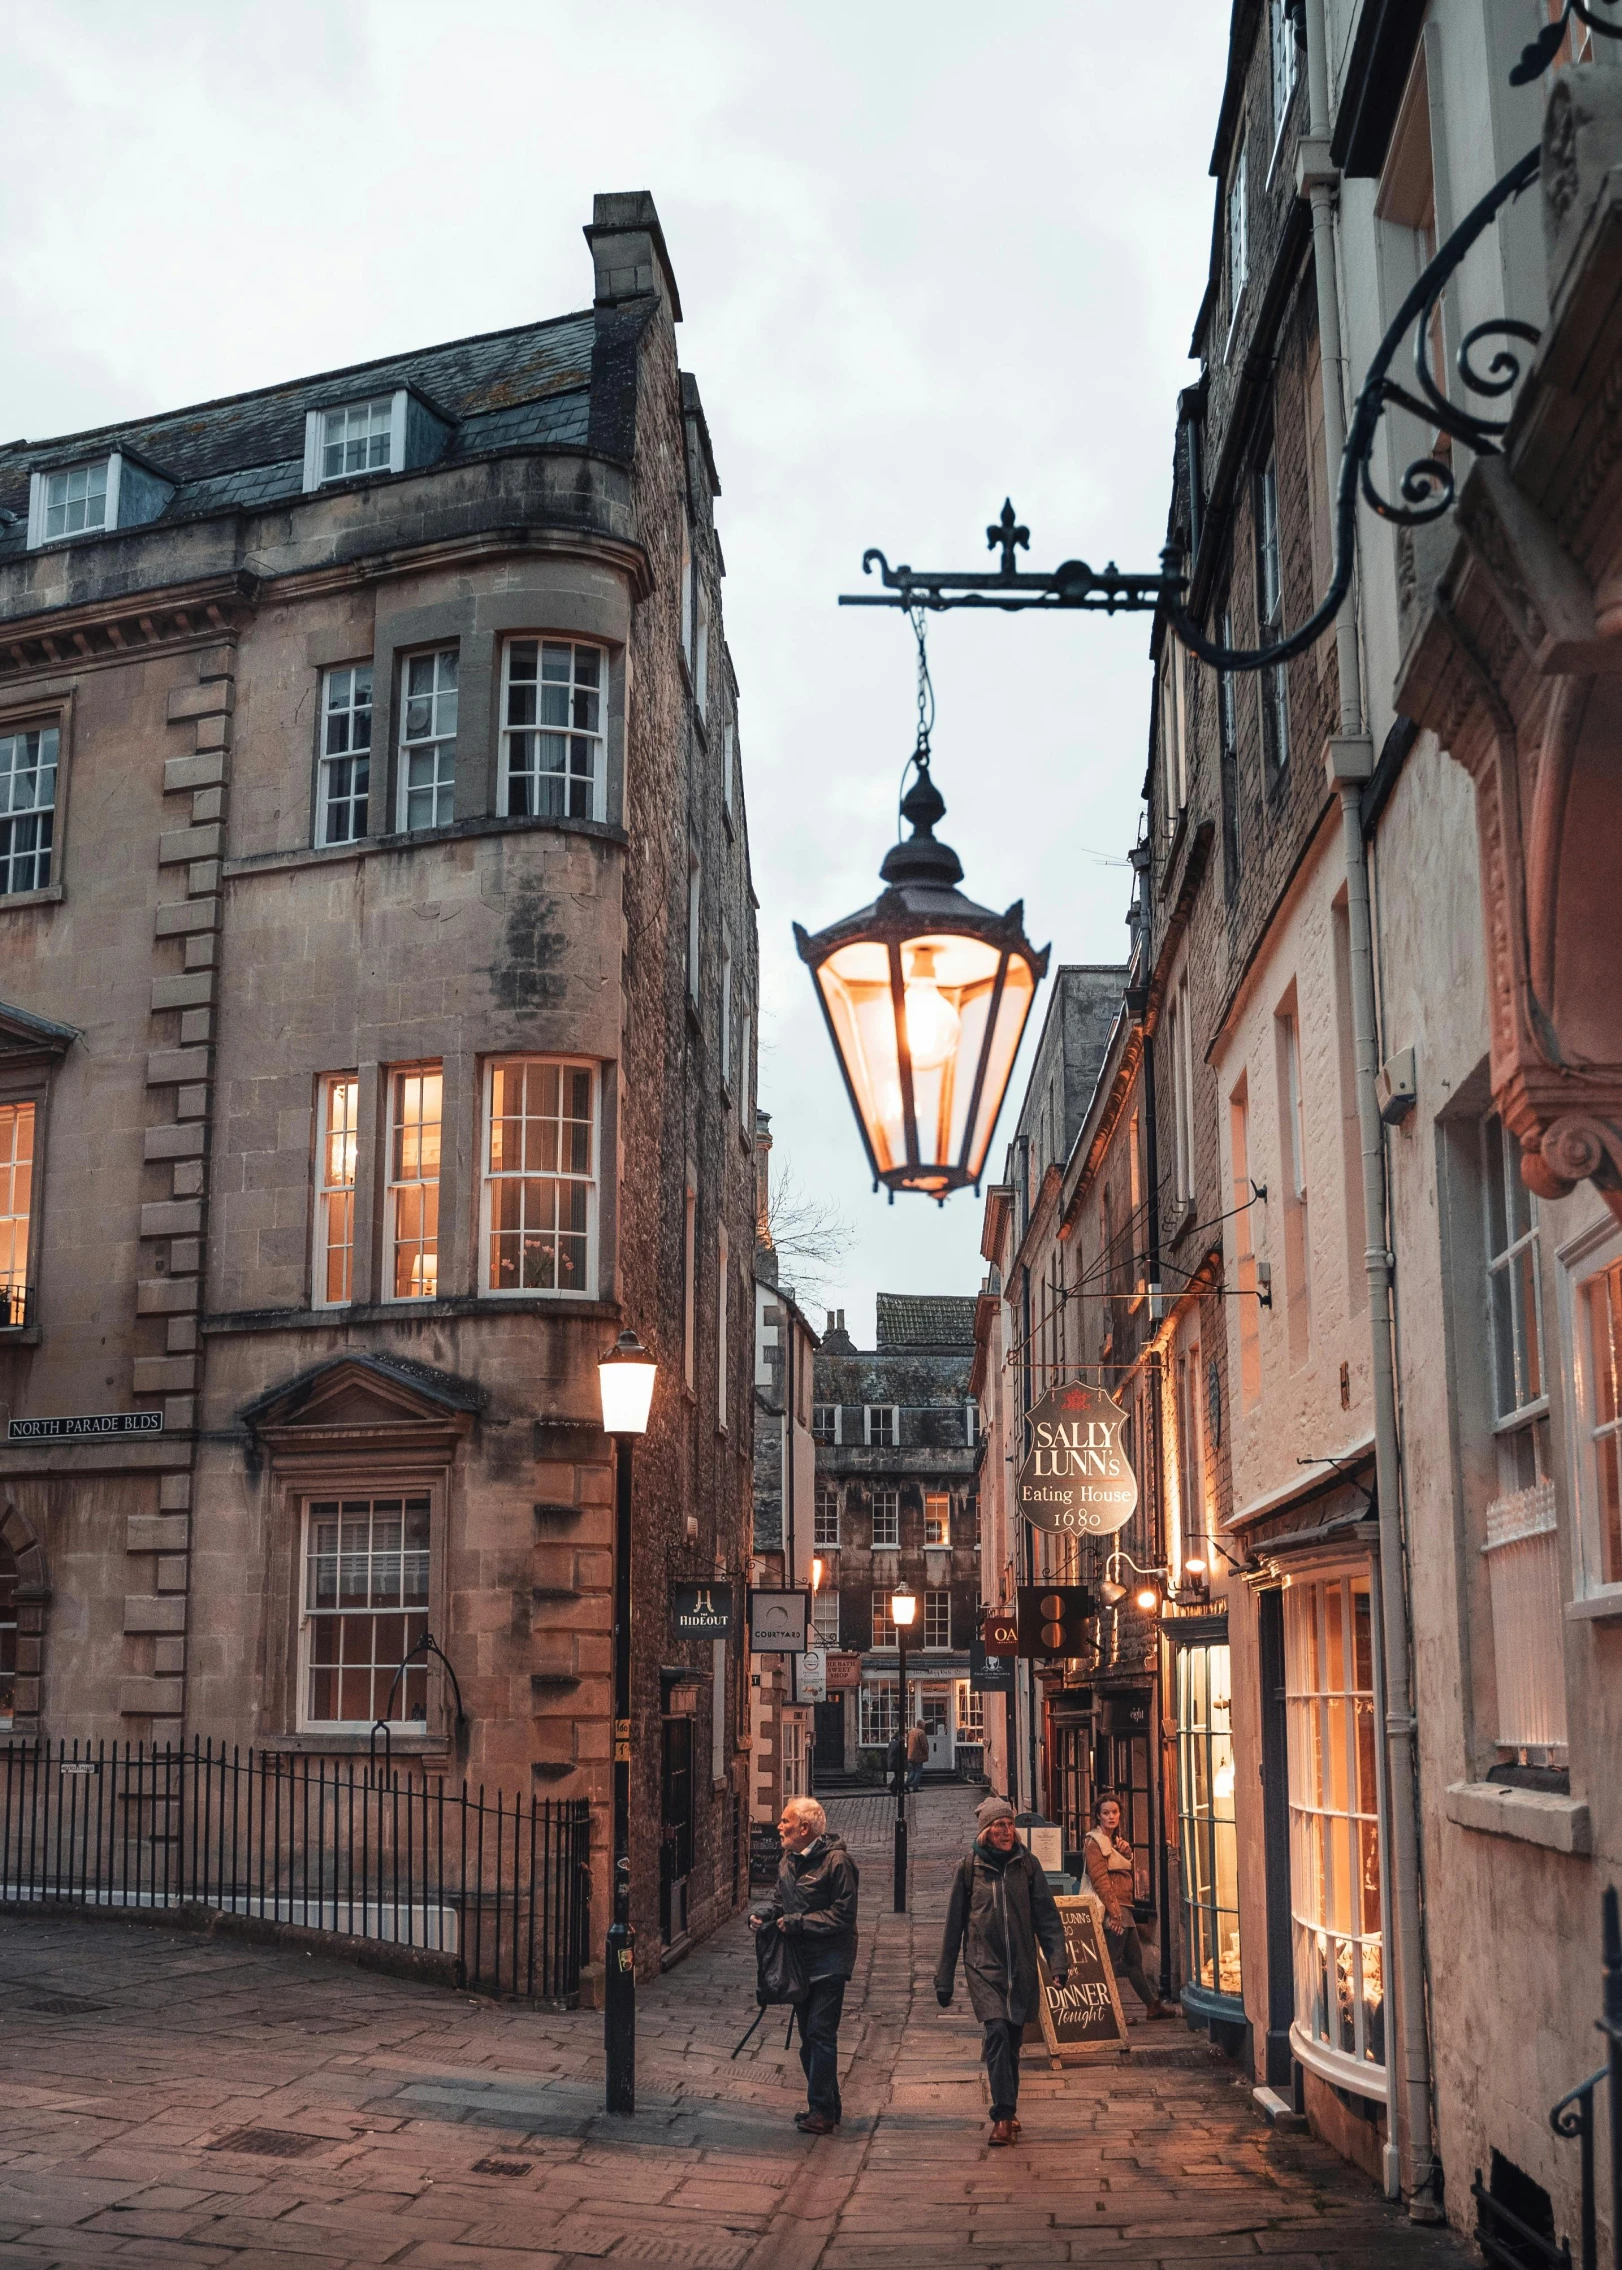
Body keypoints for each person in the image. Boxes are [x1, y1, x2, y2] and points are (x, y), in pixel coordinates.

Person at [934, 1795, 1069, 2147]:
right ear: (986, 1832)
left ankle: (1009, 2107)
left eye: (1009, 1824)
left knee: (1011, 2040)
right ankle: (1003, 2116)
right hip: (983, 1966)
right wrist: (943, 1978)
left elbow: (1048, 1918)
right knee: (996, 2030)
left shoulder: (1028, 1866)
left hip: (1021, 1965)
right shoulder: (970, 1869)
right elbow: (953, 1927)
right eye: (999, 1825)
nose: (1006, 1831)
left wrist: (1058, 1962)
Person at [750, 1795, 859, 2134]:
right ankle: (828, 2104)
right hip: (799, 1964)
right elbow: (783, 1901)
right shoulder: (789, 1860)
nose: (779, 1826)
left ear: (805, 1828)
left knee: (820, 2033)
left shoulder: (838, 1862)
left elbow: (843, 1914)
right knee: (808, 2040)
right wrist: (766, 1916)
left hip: (830, 1961)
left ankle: (822, 2112)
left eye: (785, 1821)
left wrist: (800, 1923)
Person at [1083, 1794, 1173, 2020]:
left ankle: (1152, 2005)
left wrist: (1125, 1853)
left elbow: (1120, 1869)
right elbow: (1100, 1880)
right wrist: (1114, 1914)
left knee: (1133, 1959)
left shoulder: (1114, 1842)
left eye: (1114, 1812)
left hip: (1124, 1908)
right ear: (1097, 1816)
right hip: (1114, 1909)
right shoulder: (1094, 1843)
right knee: (1108, 1962)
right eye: (1105, 1813)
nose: (1111, 1816)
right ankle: (1105, 2014)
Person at [905, 1719, 929, 1793]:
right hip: (918, 1756)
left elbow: (907, 1742)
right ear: (920, 1725)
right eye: (923, 1724)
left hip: (910, 1755)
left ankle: (906, 1783)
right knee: (918, 1771)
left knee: (912, 1771)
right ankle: (914, 1786)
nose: (924, 1725)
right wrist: (926, 1752)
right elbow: (923, 1745)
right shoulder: (921, 1733)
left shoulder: (911, 1732)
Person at [884, 1726, 905, 1793]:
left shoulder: (892, 1742)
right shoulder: (897, 1743)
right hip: (895, 1762)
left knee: (897, 1775)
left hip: (891, 1761)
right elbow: (899, 1752)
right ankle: (894, 1790)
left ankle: (892, 1788)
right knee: (898, 1775)